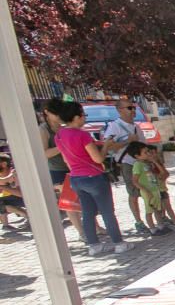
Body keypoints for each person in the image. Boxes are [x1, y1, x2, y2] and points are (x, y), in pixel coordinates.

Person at [52, 100, 133, 255]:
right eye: (83, 115)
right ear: (76, 117)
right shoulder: (83, 135)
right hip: (93, 177)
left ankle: (93, 245)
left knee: (88, 213)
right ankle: (118, 243)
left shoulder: (59, 135)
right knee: (107, 211)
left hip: (76, 178)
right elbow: (98, 159)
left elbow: (65, 159)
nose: (84, 118)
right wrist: (106, 146)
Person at [39, 98, 85, 239]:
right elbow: (43, 153)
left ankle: (94, 226)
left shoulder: (64, 126)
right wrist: (62, 145)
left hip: (72, 166)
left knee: (83, 197)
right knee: (70, 202)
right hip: (57, 169)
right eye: (56, 113)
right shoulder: (43, 129)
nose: (59, 116)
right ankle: (81, 232)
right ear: (47, 112)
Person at [102, 97, 149, 234]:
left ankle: (153, 217)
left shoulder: (136, 126)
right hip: (127, 163)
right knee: (133, 192)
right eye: (129, 108)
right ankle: (139, 221)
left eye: (133, 107)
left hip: (141, 162)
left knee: (148, 189)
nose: (133, 110)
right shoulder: (114, 126)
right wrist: (127, 141)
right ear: (119, 110)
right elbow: (109, 147)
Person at [128, 143, 171, 236]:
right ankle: (152, 229)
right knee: (149, 211)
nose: (148, 153)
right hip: (147, 192)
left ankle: (160, 226)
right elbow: (135, 181)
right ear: (137, 155)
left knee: (158, 209)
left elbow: (162, 172)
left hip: (155, 189)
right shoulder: (138, 165)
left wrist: (155, 162)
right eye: (145, 152)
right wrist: (145, 191)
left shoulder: (148, 164)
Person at [0, 153, 29, 232]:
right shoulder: (3, 175)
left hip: (25, 199)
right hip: (12, 199)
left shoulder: (15, 173)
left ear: (4, 164)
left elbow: (21, 194)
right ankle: (6, 225)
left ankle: (28, 216)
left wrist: (3, 187)